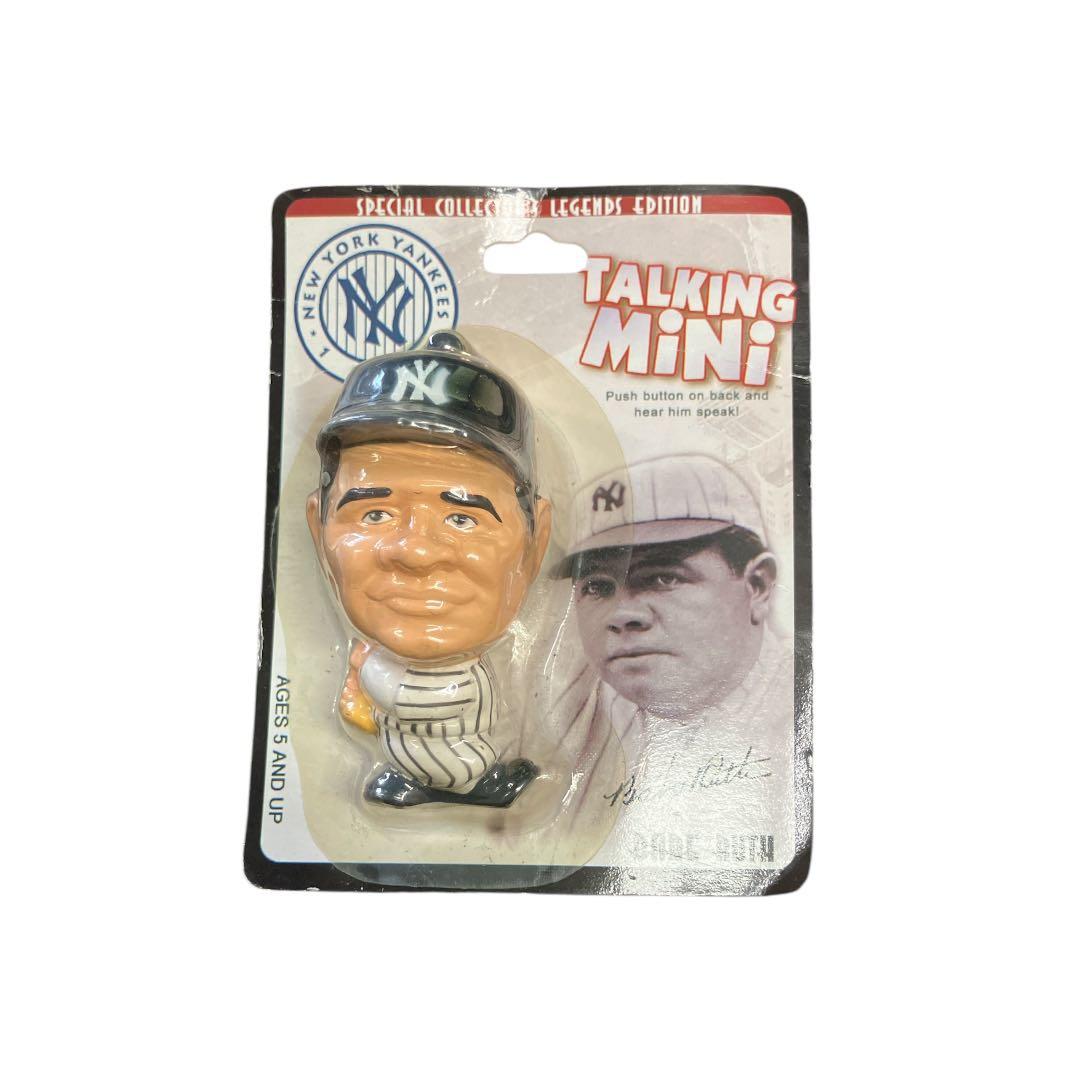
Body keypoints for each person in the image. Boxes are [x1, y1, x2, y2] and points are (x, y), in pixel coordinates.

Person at [307, 331, 551, 809]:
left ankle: (470, 787)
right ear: (318, 532)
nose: (416, 553)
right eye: (375, 514)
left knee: (456, 767)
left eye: (462, 518)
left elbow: (403, 701)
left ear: (535, 544)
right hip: (411, 756)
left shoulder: (450, 684)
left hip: (460, 762)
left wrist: (368, 673)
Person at [556, 456, 794, 863]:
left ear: (757, 586)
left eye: (663, 577)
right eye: (597, 586)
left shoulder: (806, 708)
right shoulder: (577, 726)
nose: (621, 614)